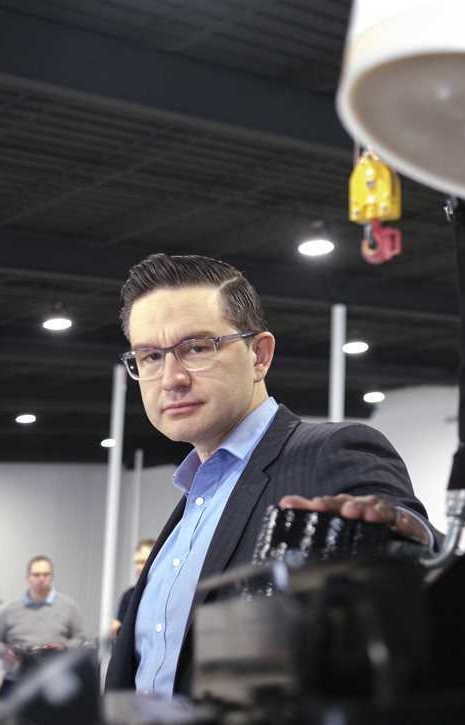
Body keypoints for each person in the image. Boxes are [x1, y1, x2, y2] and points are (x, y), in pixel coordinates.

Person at [104, 253, 433, 698]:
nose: (171, 378)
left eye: (197, 348)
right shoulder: (192, 503)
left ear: (259, 356)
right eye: (150, 357)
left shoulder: (330, 453)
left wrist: (399, 536)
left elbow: (417, 567)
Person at [0, 555, 86, 700]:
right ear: (28, 577)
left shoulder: (69, 606)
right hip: (16, 682)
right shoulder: (10, 609)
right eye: (36, 575)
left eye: (46, 574)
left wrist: (63, 648)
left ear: (52, 577)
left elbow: (80, 638)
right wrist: (6, 652)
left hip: (54, 683)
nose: (41, 579)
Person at [111, 538, 156, 639]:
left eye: (142, 562)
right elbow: (116, 629)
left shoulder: (165, 595)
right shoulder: (129, 596)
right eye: (136, 562)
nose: (138, 567)